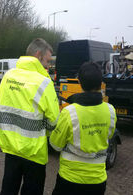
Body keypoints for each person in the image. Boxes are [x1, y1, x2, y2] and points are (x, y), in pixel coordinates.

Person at [0, 38, 60, 195]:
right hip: (34, 152)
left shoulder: (8, 76)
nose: (48, 65)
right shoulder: (44, 82)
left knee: (8, 189)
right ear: (38, 55)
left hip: (10, 148)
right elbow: (54, 121)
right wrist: (47, 132)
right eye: (47, 60)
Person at [49, 62, 117, 195]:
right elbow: (108, 136)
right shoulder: (110, 111)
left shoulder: (69, 112)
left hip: (69, 179)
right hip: (97, 180)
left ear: (79, 82)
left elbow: (55, 145)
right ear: (100, 82)